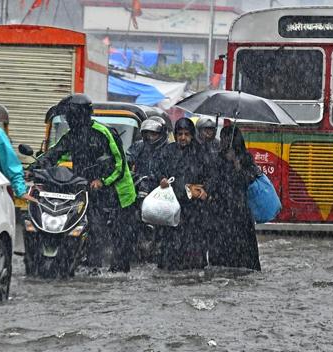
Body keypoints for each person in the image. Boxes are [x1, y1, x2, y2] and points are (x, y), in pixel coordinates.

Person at [37, 93, 137, 273]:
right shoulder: (72, 135)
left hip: (118, 191)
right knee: (92, 226)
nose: (68, 119)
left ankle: (118, 274)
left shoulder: (103, 132)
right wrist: (34, 167)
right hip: (87, 187)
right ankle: (92, 266)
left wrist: (103, 181)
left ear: (80, 115)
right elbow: (54, 153)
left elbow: (120, 165)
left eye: (70, 116)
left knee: (119, 238)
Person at [154, 118, 212, 270]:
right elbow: (158, 170)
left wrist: (205, 190)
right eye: (180, 134)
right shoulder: (168, 151)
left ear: (192, 135)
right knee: (170, 245)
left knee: (194, 247)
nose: (183, 138)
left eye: (186, 134)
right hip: (172, 207)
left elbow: (211, 176)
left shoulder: (201, 152)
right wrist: (162, 180)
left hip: (195, 210)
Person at [208, 124, 261, 271]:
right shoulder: (217, 159)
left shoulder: (246, 159)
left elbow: (250, 182)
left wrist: (237, 165)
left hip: (241, 214)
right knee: (221, 257)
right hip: (221, 213)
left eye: (227, 138)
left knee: (243, 256)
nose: (224, 141)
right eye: (222, 137)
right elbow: (212, 184)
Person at [127, 116, 170, 263]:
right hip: (138, 186)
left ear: (162, 134)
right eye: (147, 133)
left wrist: (164, 179)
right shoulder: (139, 146)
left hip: (161, 191)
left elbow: (174, 169)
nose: (150, 137)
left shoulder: (169, 149)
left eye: (154, 134)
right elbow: (127, 159)